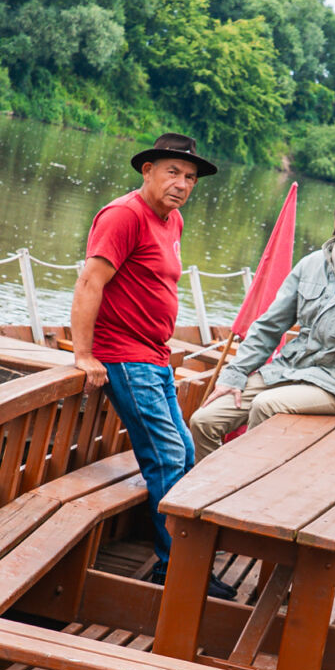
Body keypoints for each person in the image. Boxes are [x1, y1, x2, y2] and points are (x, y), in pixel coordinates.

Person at [70, 132, 216, 585]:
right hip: (126, 358)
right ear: (147, 170)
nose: (182, 184)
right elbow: (90, 283)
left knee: (185, 450)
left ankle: (182, 562)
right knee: (170, 455)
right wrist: (83, 355)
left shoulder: (171, 221)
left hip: (155, 358)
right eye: (173, 172)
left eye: (190, 177)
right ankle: (177, 571)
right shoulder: (123, 215)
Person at [189, 187, 335, 460]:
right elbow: (268, 327)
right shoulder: (311, 265)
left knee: (266, 405)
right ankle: (212, 482)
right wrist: (235, 374)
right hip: (288, 370)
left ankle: (240, 488)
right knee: (203, 421)